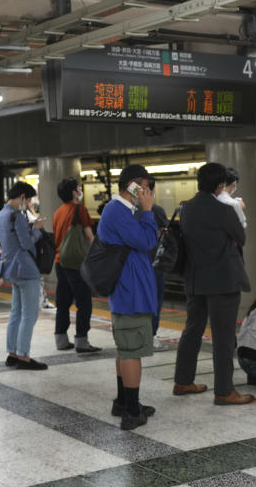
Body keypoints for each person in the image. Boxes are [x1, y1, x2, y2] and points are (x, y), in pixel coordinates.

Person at [173, 162, 254, 405]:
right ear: (220, 185)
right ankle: (224, 391)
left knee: (192, 330)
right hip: (222, 281)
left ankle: (183, 380)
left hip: (195, 280)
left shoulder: (185, 208)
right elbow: (241, 238)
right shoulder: (224, 210)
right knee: (223, 337)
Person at [96, 165, 160, 430]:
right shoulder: (119, 211)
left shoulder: (120, 210)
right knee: (132, 349)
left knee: (126, 348)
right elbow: (146, 241)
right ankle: (132, 412)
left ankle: (124, 401)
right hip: (130, 291)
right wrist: (147, 211)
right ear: (133, 186)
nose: (147, 192)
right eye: (144, 186)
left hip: (129, 289)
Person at [0, 181, 48, 370]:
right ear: (22, 198)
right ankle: (23, 356)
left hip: (11, 268)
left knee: (16, 312)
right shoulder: (16, 215)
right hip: (26, 269)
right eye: (28, 201)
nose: (27, 204)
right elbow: (26, 244)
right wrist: (37, 229)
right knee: (29, 315)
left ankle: (12, 353)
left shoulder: (2, 214)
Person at [51, 177, 101, 354]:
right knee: (84, 302)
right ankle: (81, 341)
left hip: (60, 262)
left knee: (63, 303)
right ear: (74, 192)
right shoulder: (80, 210)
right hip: (76, 263)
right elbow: (90, 237)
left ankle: (61, 339)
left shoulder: (58, 212)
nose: (80, 191)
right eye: (79, 188)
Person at [141, 178, 170, 352]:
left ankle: (140, 335)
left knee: (140, 299)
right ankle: (150, 335)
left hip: (135, 263)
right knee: (155, 300)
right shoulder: (156, 210)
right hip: (154, 263)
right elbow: (164, 234)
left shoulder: (129, 211)